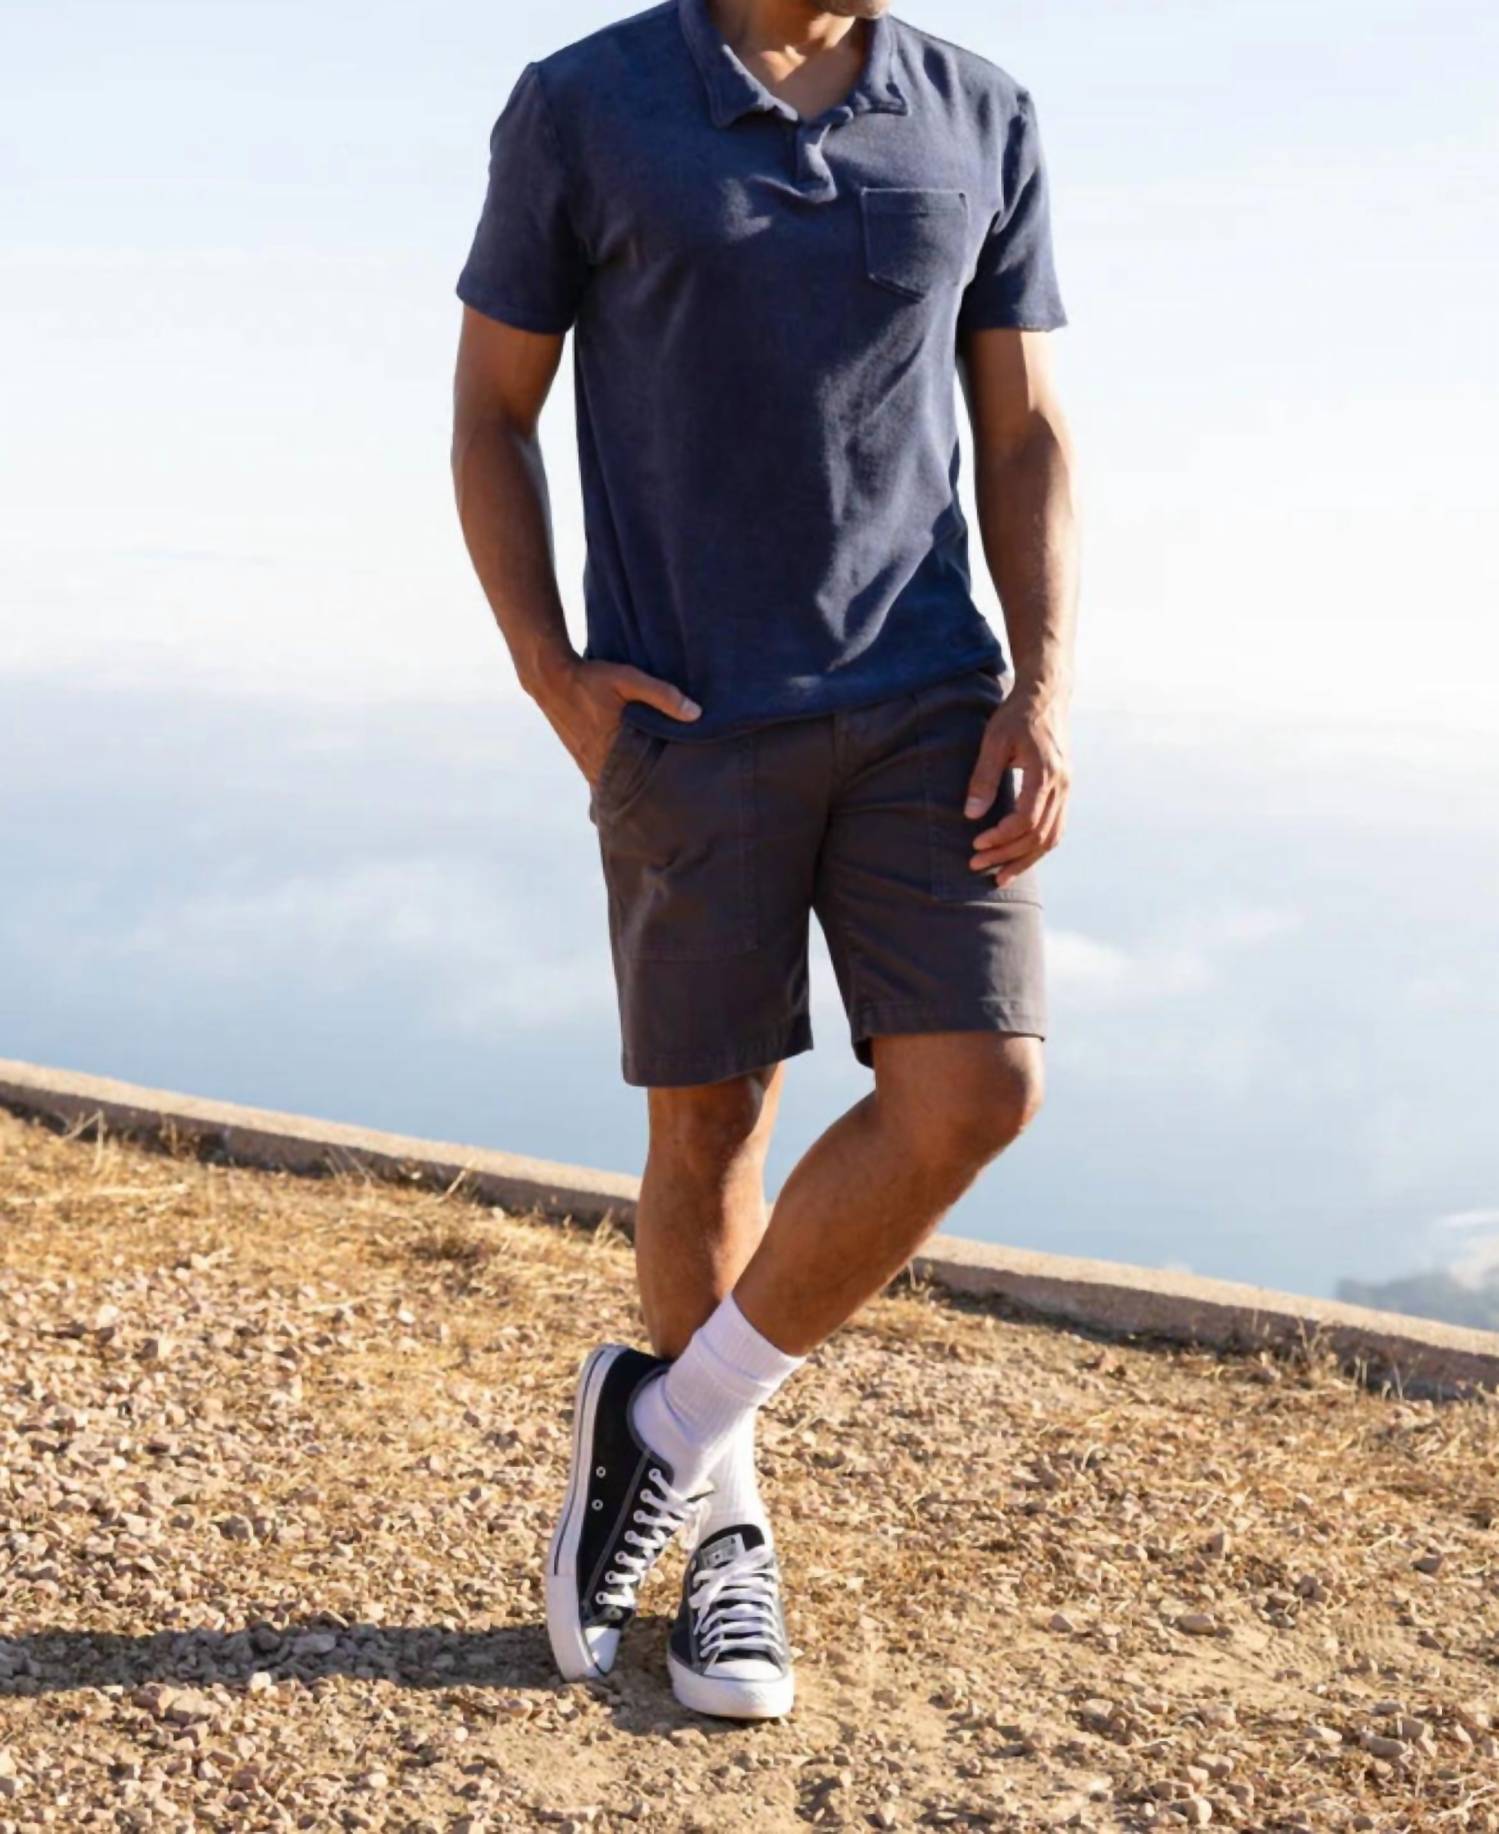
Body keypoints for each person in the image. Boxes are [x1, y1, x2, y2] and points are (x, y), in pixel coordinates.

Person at [451, 0, 1078, 1721]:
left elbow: (1025, 430)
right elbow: (491, 409)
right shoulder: (586, 107)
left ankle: (663, 1419)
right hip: (689, 715)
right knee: (713, 1122)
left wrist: (1040, 686)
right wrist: (554, 676)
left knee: (979, 1086)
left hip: (931, 703)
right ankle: (726, 1527)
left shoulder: (982, 111)